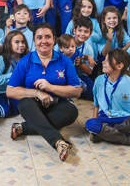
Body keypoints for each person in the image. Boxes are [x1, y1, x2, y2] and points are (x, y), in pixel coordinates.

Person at [7, 23, 82, 162]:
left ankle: (25, 127)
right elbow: (10, 91)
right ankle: (58, 142)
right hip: (33, 106)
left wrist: (51, 87)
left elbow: (76, 91)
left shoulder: (64, 61)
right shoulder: (26, 61)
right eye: (39, 37)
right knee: (24, 103)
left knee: (72, 112)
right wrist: (37, 93)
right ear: (34, 41)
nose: (44, 41)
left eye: (48, 37)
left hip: (57, 104)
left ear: (54, 39)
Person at [85, 49, 130, 149]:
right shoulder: (99, 80)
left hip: (126, 120)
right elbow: (96, 103)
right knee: (90, 124)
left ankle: (106, 134)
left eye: (107, 60)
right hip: (106, 119)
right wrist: (95, 119)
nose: (103, 62)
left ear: (119, 66)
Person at [0, 30, 28, 118]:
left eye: (23, 42)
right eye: (17, 42)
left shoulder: (25, 59)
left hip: (14, 92)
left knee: (19, 110)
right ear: (9, 44)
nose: (21, 45)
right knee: (4, 112)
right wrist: (15, 75)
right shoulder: (3, 59)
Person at [63, 18, 97, 100]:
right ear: (74, 31)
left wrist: (81, 64)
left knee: (95, 94)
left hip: (80, 76)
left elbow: (89, 72)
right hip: (62, 74)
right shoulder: (64, 42)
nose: (82, 34)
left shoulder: (88, 49)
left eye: (86, 32)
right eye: (80, 30)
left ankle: (75, 92)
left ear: (90, 33)